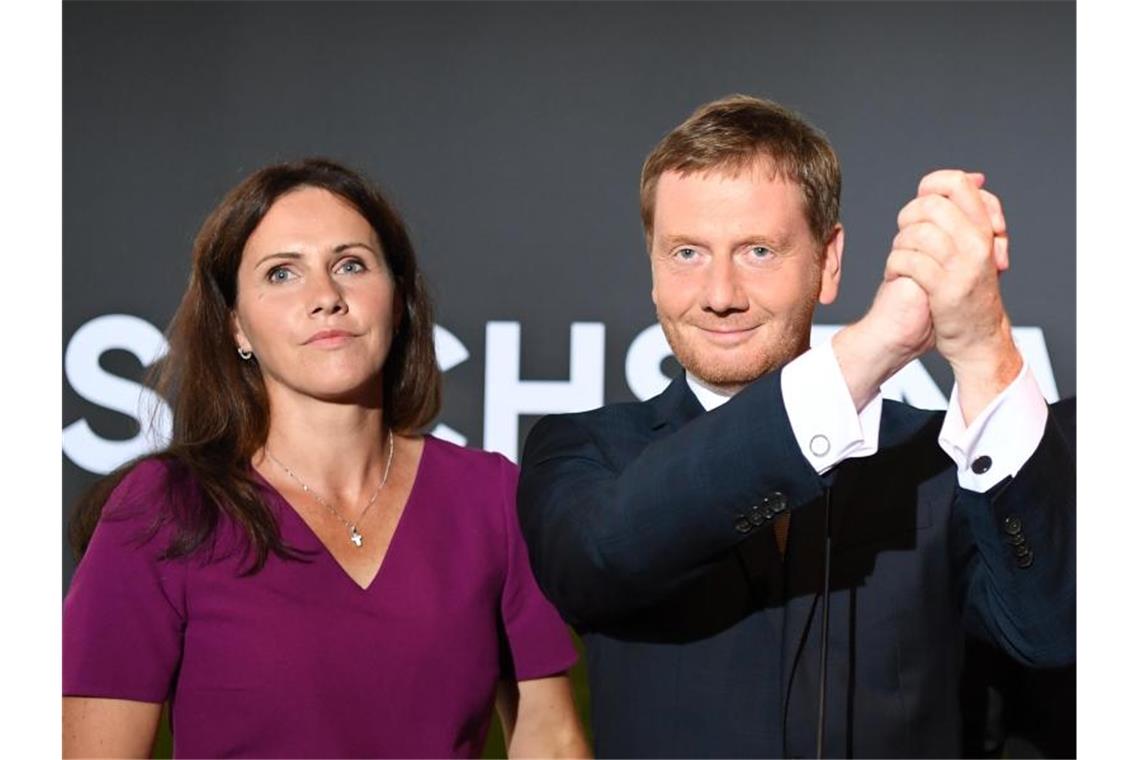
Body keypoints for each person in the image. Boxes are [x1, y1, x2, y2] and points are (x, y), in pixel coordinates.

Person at [517, 96, 1075, 757]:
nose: (720, 294)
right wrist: (879, 344)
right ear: (653, 266)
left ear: (829, 261)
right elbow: (600, 558)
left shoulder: (939, 463)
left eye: (758, 250)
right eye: (687, 253)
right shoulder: (585, 451)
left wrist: (984, 348)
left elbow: (1047, 632)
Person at [63, 158, 590, 758]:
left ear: (397, 301)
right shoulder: (165, 508)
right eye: (282, 273)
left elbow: (550, 738)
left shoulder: (491, 497)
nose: (326, 297)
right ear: (236, 325)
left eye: (351, 265)